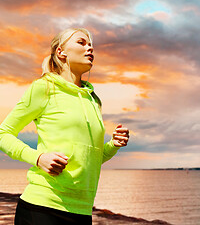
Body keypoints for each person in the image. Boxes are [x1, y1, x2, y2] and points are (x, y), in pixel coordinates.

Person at [0, 28, 129, 224]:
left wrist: (114, 145)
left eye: (91, 44)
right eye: (81, 42)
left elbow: (91, 159)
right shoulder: (44, 87)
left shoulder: (94, 100)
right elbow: (3, 134)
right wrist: (38, 158)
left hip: (82, 211)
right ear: (61, 52)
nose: (90, 48)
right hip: (42, 207)